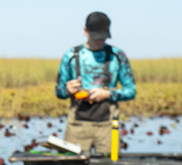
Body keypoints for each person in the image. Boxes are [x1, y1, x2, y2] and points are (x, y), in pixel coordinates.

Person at [55, 12, 136, 156]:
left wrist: (108, 94)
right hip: (77, 126)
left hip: (108, 127)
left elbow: (131, 91)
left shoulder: (117, 55)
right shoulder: (71, 56)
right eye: (96, 36)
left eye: (103, 36)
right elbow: (59, 92)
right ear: (85, 31)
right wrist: (67, 90)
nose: (100, 40)